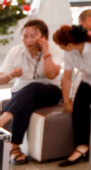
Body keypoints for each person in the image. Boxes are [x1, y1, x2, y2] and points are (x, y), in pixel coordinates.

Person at [0, 19, 61, 165]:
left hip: (50, 91)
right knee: (27, 103)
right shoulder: (16, 51)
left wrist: (46, 52)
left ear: (43, 36)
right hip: (22, 93)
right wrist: (12, 75)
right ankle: (15, 148)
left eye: (33, 36)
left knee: (33, 87)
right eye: (25, 36)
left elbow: (51, 75)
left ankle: (2, 121)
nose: (28, 40)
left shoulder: (54, 49)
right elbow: (1, 79)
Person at [52, 25, 91, 167]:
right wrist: (67, 101)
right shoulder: (69, 52)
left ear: (69, 45)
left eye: (59, 44)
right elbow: (67, 77)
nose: (58, 47)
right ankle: (82, 148)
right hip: (88, 80)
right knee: (79, 107)